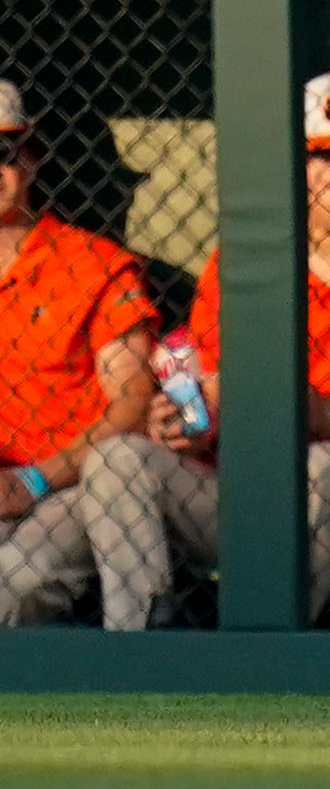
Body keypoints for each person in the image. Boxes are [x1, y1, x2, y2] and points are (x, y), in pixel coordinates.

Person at [82, 73, 330, 630]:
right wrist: (188, 427)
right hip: (234, 487)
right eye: (321, 157)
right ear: (294, 167)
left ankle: (269, 646)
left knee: (326, 463)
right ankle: (143, 645)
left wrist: (320, 414)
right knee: (118, 458)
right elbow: (213, 394)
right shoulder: (238, 263)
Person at [0, 80, 156, 625]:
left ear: (31, 160)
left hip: (70, 481)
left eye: (4, 152)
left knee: (13, 585)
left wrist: (35, 479)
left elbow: (133, 405)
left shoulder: (93, 263)